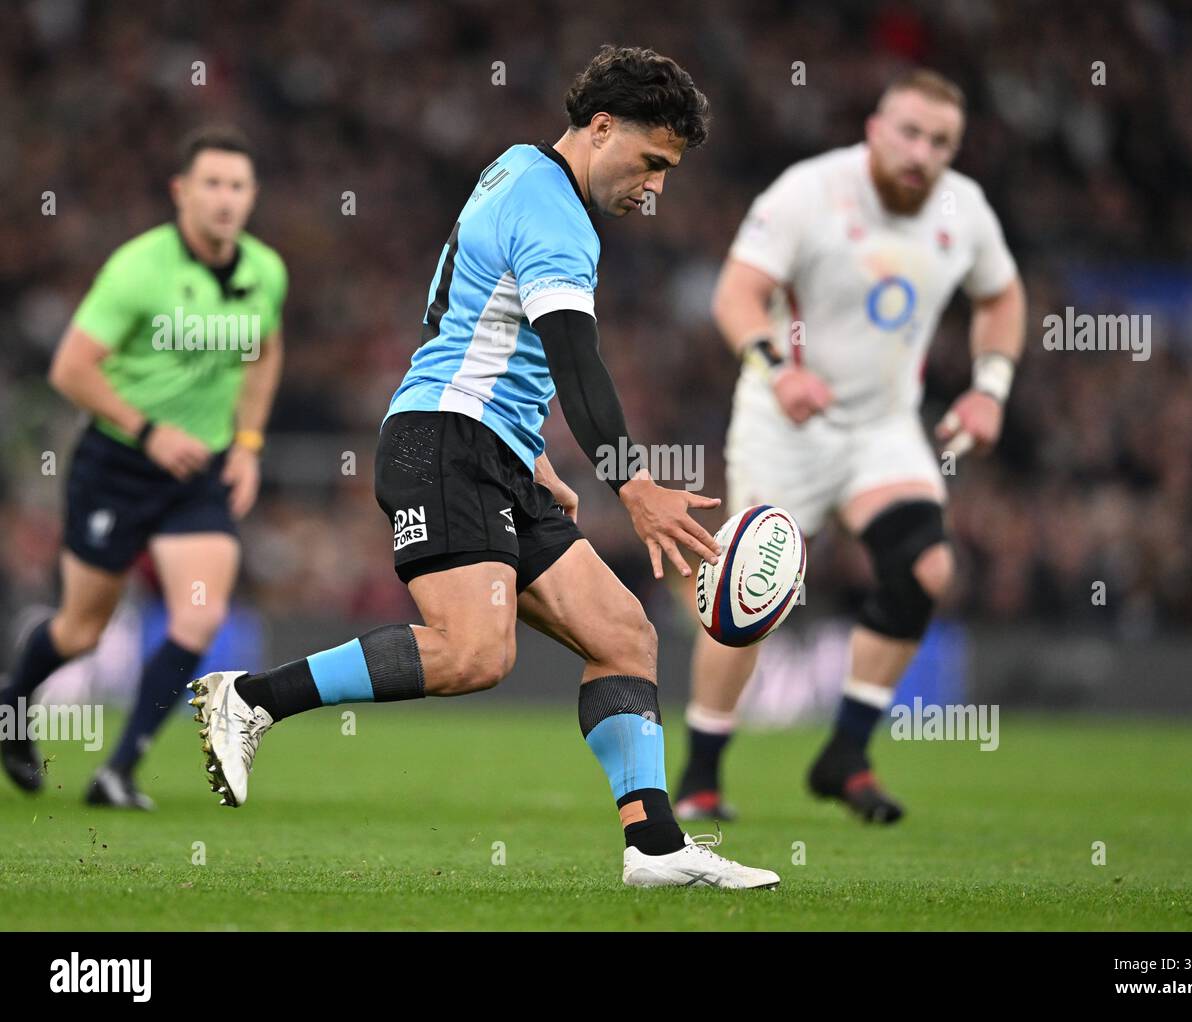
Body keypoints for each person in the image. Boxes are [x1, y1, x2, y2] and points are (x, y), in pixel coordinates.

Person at [191, 46, 780, 889]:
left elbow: (474, 310)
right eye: (652, 162)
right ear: (602, 128)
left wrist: (528, 444)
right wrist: (635, 486)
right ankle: (251, 698)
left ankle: (652, 848)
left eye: (670, 171)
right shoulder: (559, 220)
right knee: (475, 655)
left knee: (623, 636)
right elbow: (579, 367)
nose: (656, 187)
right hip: (445, 441)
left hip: (490, 445)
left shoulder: (517, 165)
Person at [675, 70, 1026, 825]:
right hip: (784, 420)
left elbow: (1001, 295)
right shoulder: (809, 192)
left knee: (927, 569)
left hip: (881, 426)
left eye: (940, 141)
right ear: (874, 127)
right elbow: (735, 293)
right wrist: (778, 370)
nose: (921, 152)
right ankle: (701, 776)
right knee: (750, 595)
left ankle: (846, 756)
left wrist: (990, 387)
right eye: (909, 131)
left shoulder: (965, 209)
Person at [0, 126, 286, 809]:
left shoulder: (265, 271)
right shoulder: (138, 268)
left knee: (198, 617)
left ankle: (118, 771)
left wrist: (247, 444)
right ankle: (11, 706)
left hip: (199, 473)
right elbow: (70, 368)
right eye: (211, 184)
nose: (224, 199)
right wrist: (149, 432)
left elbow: (265, 351)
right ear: (181, 192)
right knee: (81, 628)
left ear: (251, 197)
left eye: (237, 186)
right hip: (119, 463)